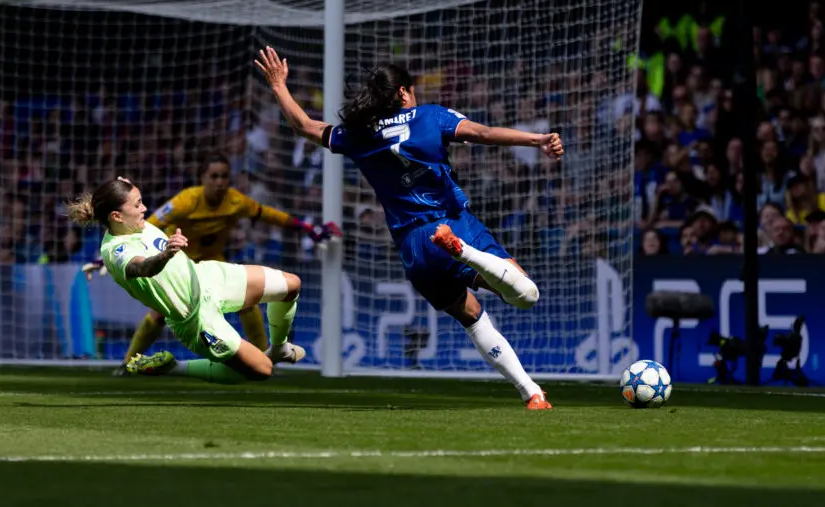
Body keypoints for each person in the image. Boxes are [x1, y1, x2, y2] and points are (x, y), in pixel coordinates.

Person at [255, 47, 563, 409]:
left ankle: (532, 393)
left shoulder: (359, 134)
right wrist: (537, 139)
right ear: (402, 92)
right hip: (451, 225)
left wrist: (278, 85)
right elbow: (482, 132)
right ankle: (464, 252)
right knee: (526, 295)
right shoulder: (430, 117)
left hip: (413, 248)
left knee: (472, 316)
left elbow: (304, 125)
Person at [84, 153, 339, 376]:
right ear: (202, 177)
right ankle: (141, 363)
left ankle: (277, 347)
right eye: (214, 176)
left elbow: (267, 214)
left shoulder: (235, 200)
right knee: (262, 371)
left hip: (207, 272)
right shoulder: (182, 203)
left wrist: (308, 228)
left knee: (291, 284)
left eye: (224, 176)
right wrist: (161, 254)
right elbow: (140, 259)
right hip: (189, 306)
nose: (220, 182)